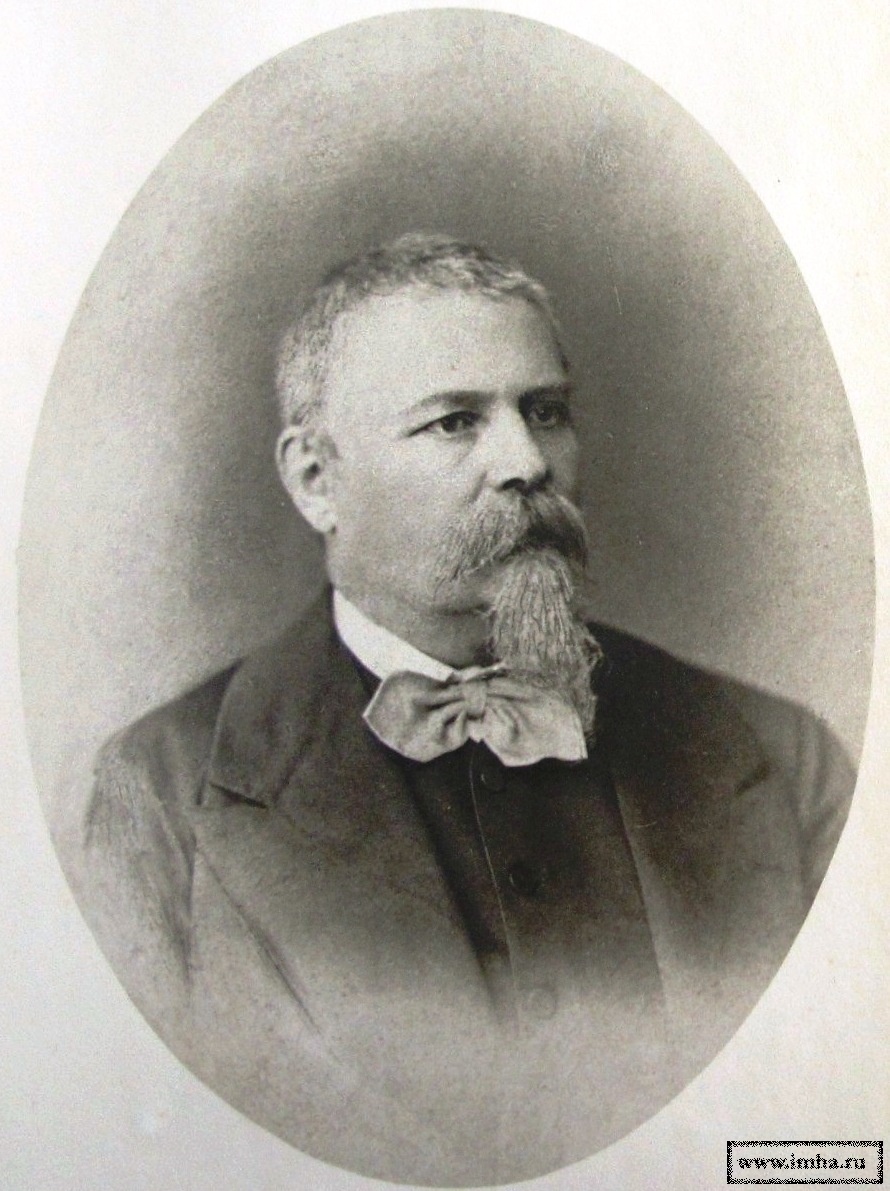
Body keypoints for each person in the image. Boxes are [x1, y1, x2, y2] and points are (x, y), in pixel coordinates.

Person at [76, 233, 854, 1186]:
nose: (528, 462)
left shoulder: (782, 760)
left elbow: (830, 1126)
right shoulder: (159, 797)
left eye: (546, 411)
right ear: (316, 479)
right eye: (454, 422)